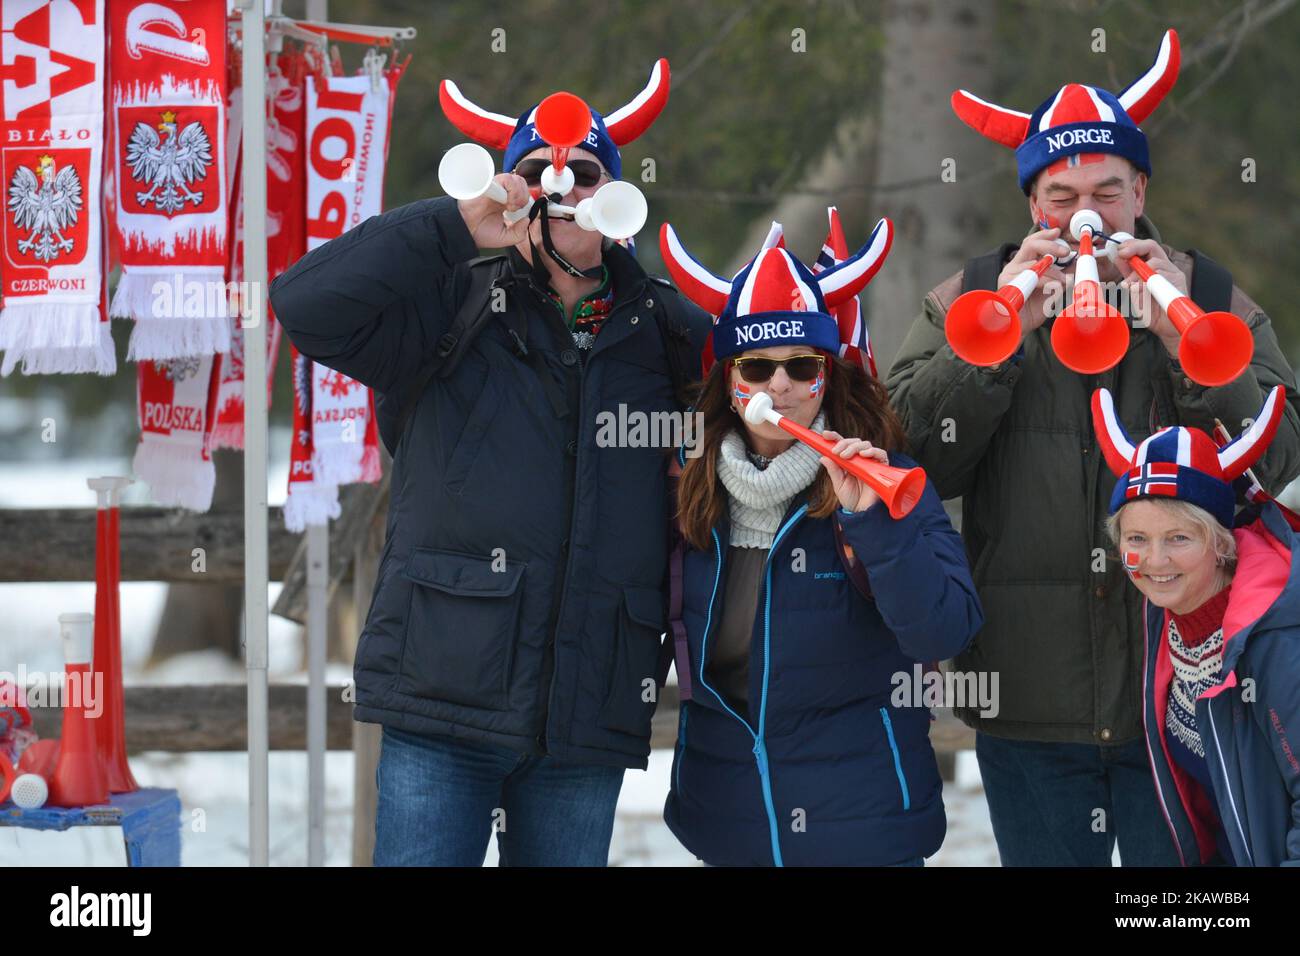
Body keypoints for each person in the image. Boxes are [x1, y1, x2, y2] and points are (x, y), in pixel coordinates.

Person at [270, 59, 713, 866]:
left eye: (584, 173)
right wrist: (453, 225)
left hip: (589, 711)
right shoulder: (451, 300)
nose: (562, 188)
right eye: (540, 172)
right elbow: (303, 305)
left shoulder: (671, 333)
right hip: (444, 698)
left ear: (613, 195)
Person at [885, 29, 1300, 865]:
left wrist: (1192, 342)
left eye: (1107, 192)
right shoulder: (968, 298)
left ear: (1140, 190)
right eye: (1060, 193)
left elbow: (1281, 463)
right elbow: (912, 463)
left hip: (1183, 693)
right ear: (1030, 204)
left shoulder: (1209, 294)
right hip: (1030, 700)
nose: (1086, 214)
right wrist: (993, 346)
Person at [656, 218, 983, 866]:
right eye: (757, 366)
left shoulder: (889, 480)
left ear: (825, 377)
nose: (779, 385)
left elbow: (945, 631)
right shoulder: (686, 492)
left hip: (863, 829)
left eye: (800, 365)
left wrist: (877, 525)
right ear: (731, 380)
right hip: (728, 823)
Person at [1093, 384, 1300, 866]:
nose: (1155, 560)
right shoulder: (1166, 614)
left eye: (1179, 537)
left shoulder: (1278, 639)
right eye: (1137, 538)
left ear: (1222, 543)